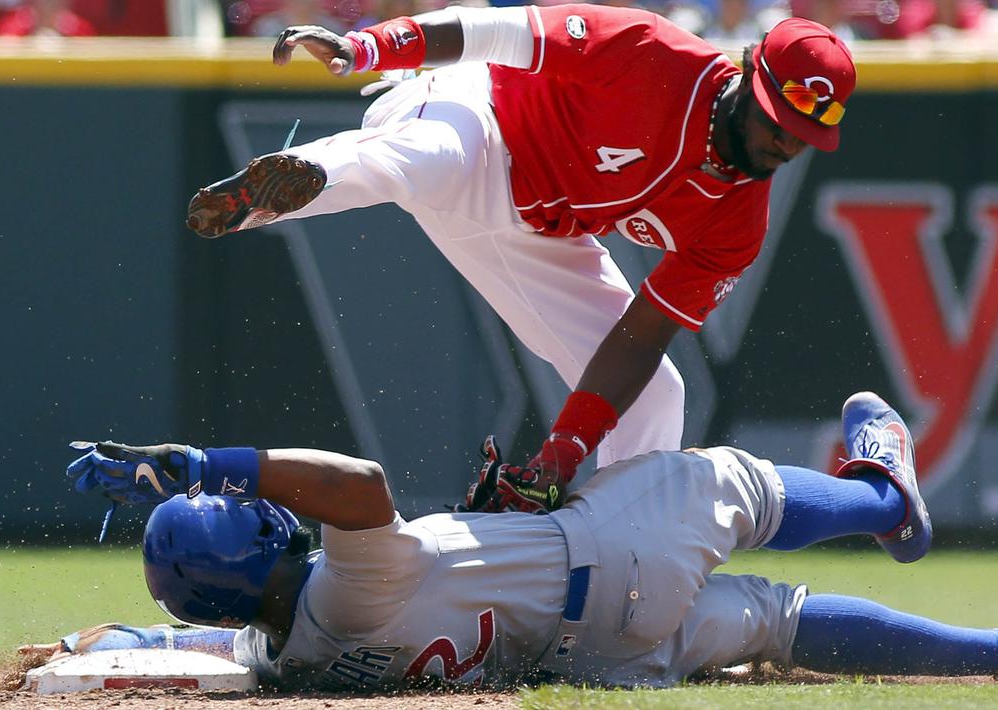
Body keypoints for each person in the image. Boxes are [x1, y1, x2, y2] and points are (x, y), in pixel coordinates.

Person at [184, 5, 856, 512]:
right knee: (425, 162)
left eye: (803, 135)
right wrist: (370, 46)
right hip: (477, 112)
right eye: (776, 120)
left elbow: (644, 333)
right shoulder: (654, 52)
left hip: (535, 232)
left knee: (658, 395)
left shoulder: (737, 221)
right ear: (747, 75)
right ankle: (288, 183)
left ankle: (618, 565)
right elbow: (499, 31)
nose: (784, 144)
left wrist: (566, 447)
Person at [30, 392, 998, 689]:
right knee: (730, 481)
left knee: (778, 625)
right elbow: (359, 487)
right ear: (256, 528)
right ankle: (887, 497)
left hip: (600, 656)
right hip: (605, 552)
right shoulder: (350, 577)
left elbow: (208, 654)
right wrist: (205, 464)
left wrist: (101, 648)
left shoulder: (291, 655)